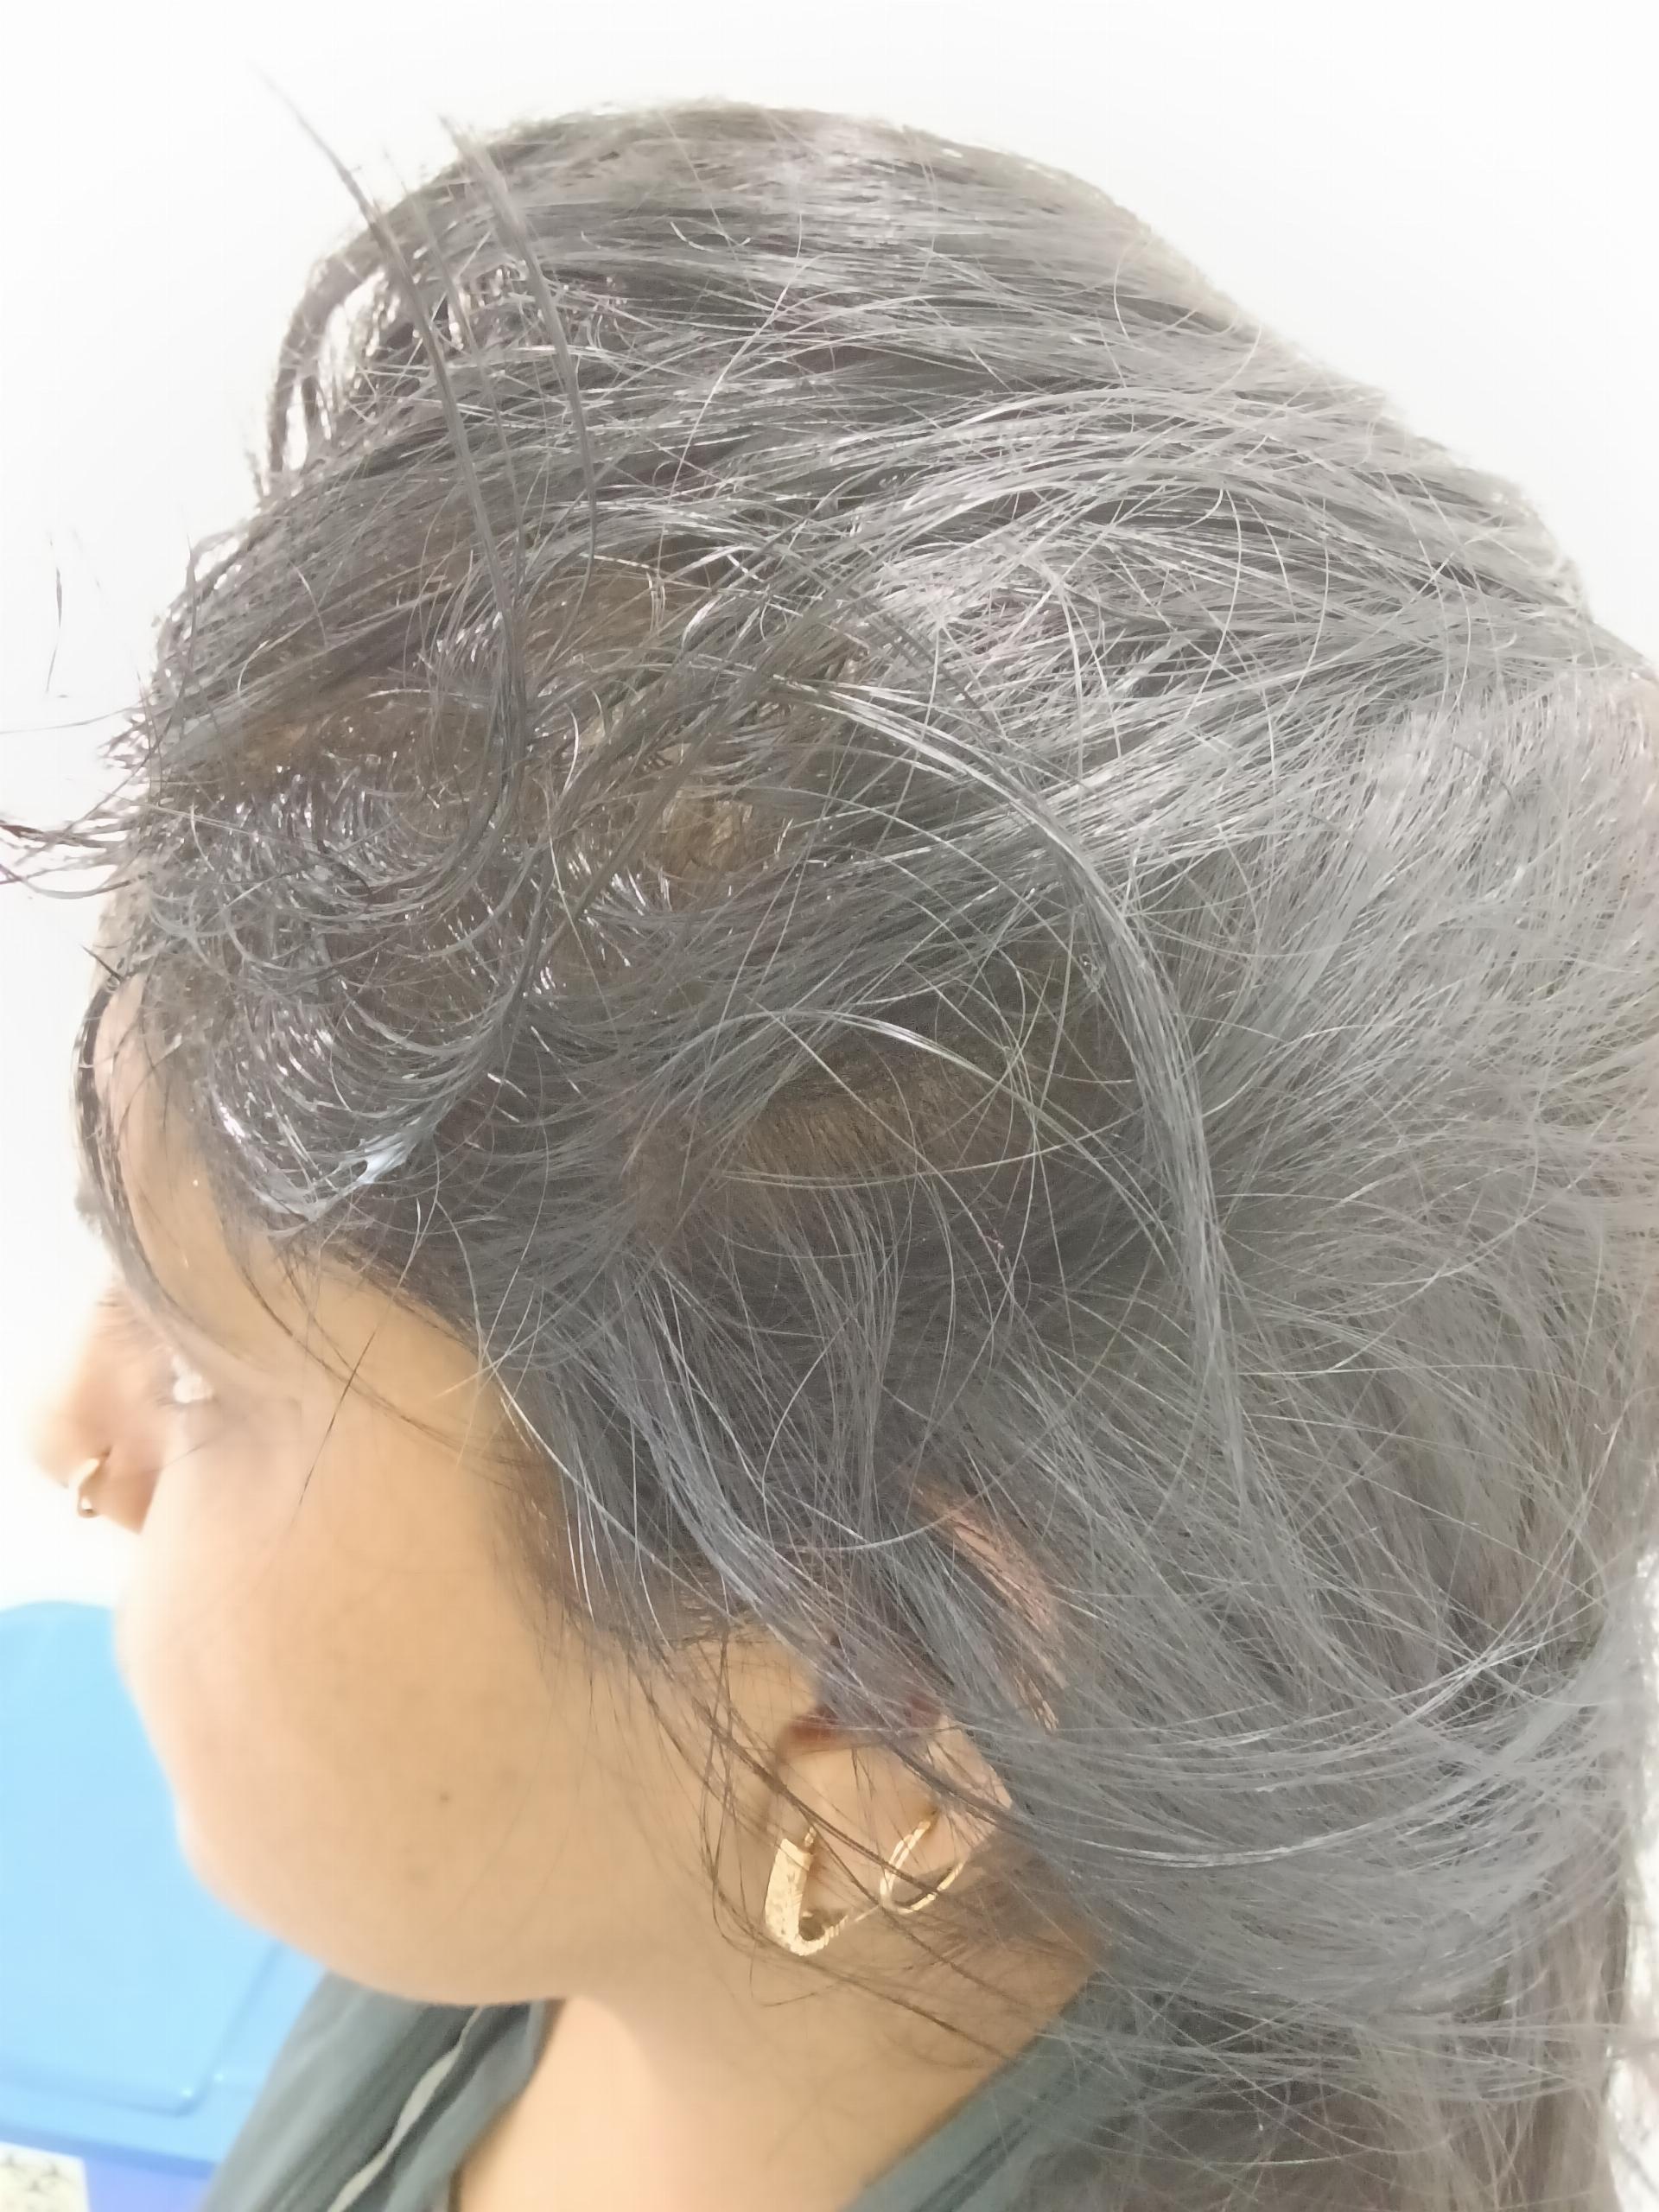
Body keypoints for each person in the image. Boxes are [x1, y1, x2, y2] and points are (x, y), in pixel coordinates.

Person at [12, 94, 1659, 2212]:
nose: (73, 1435)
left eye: (199, 1363)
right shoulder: (565, 1877)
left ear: (867, 1714)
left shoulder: (511, 1831)